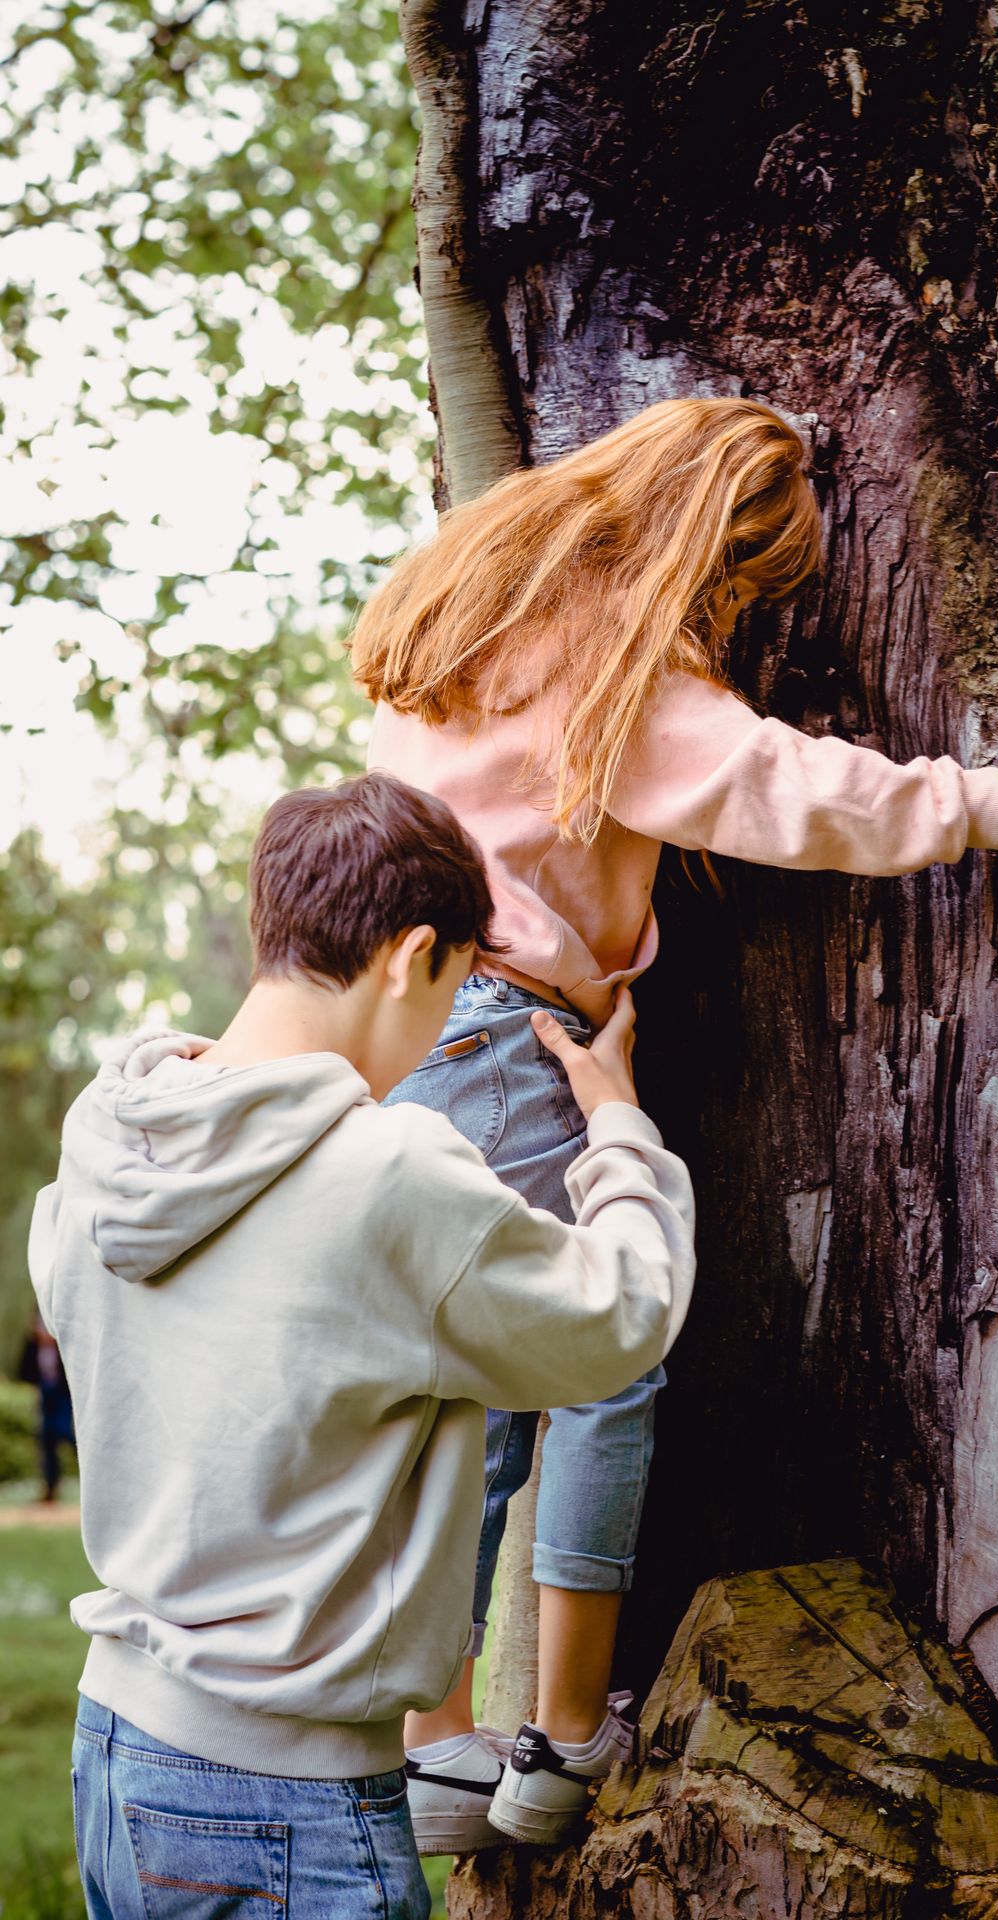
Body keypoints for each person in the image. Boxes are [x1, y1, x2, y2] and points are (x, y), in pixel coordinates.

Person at [349, 393, 998, 1850]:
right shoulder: (622, 676)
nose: (744, 612)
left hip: (412, 1027)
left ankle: (437, 1752)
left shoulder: (481, 611)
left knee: (459, 1393)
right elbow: (784, 786)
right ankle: (566, 1733)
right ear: (708, 551)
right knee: (605, 1348)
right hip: (514, 1026)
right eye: (749, 583)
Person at [28, 771, 695, 1919]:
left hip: (117, 1753)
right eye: (457, 988)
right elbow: (617, 1320)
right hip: (281, 1801)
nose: (444, 1029)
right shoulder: (384, 1173)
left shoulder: (104, 1148)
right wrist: (618, 1127)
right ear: (411, 955)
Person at [18, 1307, 75, 1502]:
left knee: (68, 1434)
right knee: (47, 1439)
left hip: (63, 1395)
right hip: (45, 1395)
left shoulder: (64, 1346)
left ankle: (92, 1476)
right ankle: (50, 1488)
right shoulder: (33, 1346)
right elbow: (25, 1372)